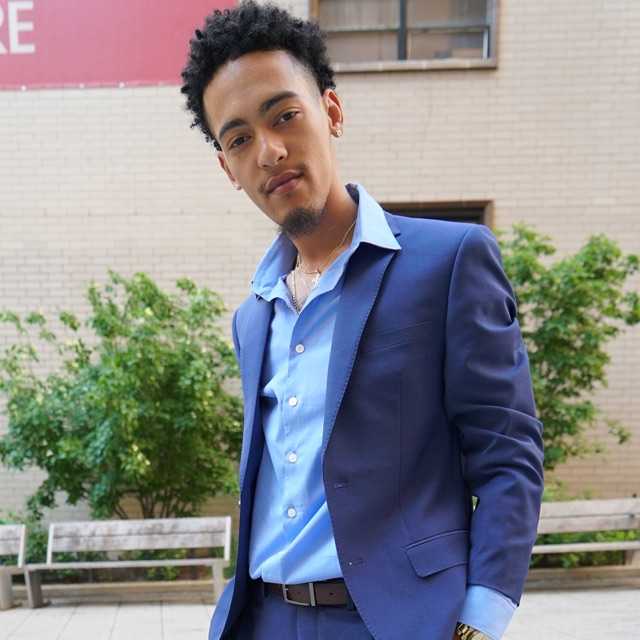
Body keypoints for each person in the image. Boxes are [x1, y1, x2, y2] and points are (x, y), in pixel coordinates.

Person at [180, 2, 544, 639]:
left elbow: (508, 455)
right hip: (262, 618)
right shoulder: (253, 316)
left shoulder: (448, 262)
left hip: (393, 622)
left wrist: (480, 622)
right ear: (227, 168)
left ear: (331, 111)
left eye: (284, 115)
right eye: (238, 139)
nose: (269, 151)